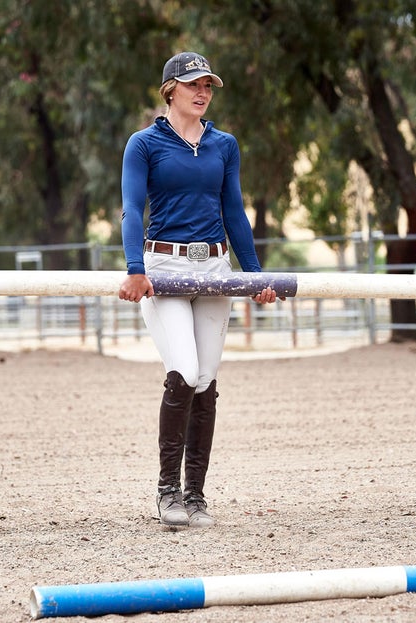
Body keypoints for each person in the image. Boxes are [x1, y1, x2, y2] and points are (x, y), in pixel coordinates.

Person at [119, 52, 279, 528]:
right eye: (193, 84)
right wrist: (134, 268)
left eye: (208, 85)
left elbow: (235, 213)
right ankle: (166, 493)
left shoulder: (224, 145)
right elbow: (131, 208)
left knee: (207, 379)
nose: (203, 92)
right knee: (184, 371)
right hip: (163, 267)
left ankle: (196, 496)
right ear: (170, 90)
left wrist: (252, 276)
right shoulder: (144, 144)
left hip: (213, 268)